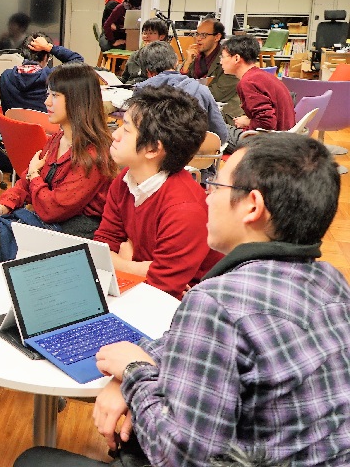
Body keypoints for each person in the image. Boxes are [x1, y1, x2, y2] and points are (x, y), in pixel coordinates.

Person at [90, 133, 350, 467]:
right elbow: (194, 345)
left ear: (252, 206)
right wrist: (137, 363)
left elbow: (178, 456)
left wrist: (134, 373)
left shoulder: (217, 302)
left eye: (215, 186)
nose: (206, 196)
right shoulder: (332, 280)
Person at [93, 86, 222, 298]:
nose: (115, 135)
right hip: (136, 289)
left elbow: (163, 288)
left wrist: (123, 263)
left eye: (126, 130)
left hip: (184, 302)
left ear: (153, 149)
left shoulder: (185, 209)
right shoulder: (126, 179)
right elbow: (101, 248)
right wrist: (136, 267)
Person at [0, 63, 115, 263]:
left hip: (72, 238)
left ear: (77, 100)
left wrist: (34, 176)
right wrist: (2, 208)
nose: (46, 102)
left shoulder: (93, 155)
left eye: (54, 96)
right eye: (49, 94)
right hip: (51, 224)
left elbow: (51, 208)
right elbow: (26, 183)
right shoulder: (58, 139)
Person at [133, 41, 228, 143]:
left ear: (148, 72)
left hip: (155, 150)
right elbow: (221, 135)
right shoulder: (201, 89)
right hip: (195, 150)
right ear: (176, 63)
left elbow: (136, 132)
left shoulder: (141, 91)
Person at [220, 34, 295, 151]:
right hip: (284, 138)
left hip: (268, 144)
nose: (220, 62)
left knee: (214, 127)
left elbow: (267, 123)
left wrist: (248, 122)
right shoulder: (261, 75)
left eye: (223, 57)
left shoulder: (248, 82)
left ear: (236, 58)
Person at [0, 32, 84, 113]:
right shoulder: (52, 76)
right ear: (46, 56)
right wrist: (49, 47)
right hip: (45, 124)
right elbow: (78, 61)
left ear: (23, 53)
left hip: (14, 124)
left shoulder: (5, 77)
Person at [179, 18, 243, 122]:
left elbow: (218, 94)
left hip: (224, 114)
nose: (198, 39)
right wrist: (187, 63)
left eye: (203, 35)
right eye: (197, 34)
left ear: (217, 37)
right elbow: (179, 84)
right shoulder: (195, 56)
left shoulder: (229, 59)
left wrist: (188, 91)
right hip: (196, 107)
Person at [121, 18, 169, 85]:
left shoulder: (165, 56)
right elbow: (125, 78)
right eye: (144, 33)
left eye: (150, 33)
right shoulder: (135, 55)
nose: (146, 36)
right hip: (129, 87)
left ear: (161, 36)